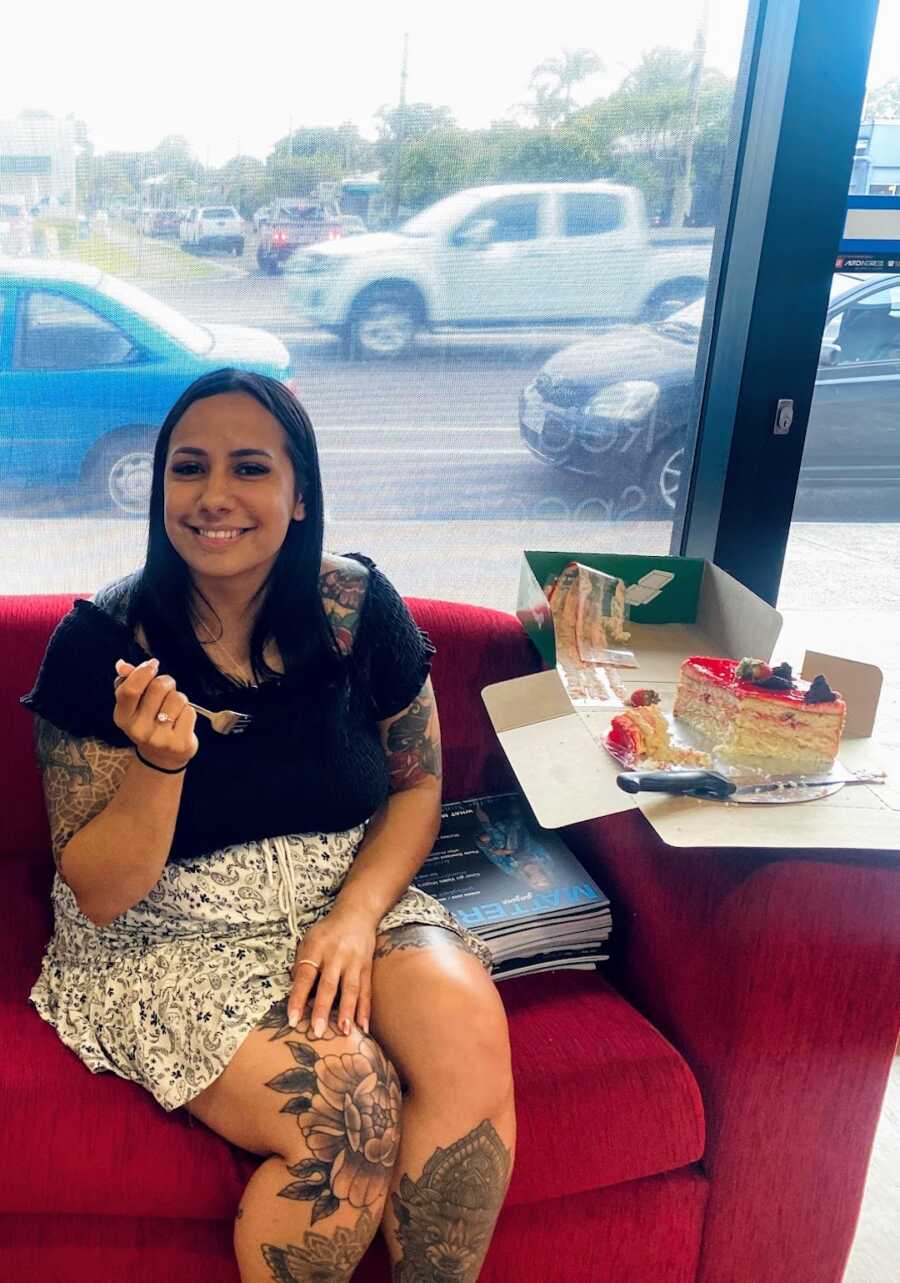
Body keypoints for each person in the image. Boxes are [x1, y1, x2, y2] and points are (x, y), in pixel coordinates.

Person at [22, 368, 516, 1283]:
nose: (213, 497)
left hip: (342, 892)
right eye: (187, 469)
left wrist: (356, 914)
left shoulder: (360, 608)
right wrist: (161, 766)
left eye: (249, 468)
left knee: (466, 1027)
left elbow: (416, 786)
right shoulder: (102, 643)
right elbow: (98, 889)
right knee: (347, 1102)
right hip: (166, 928)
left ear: (299, 496)